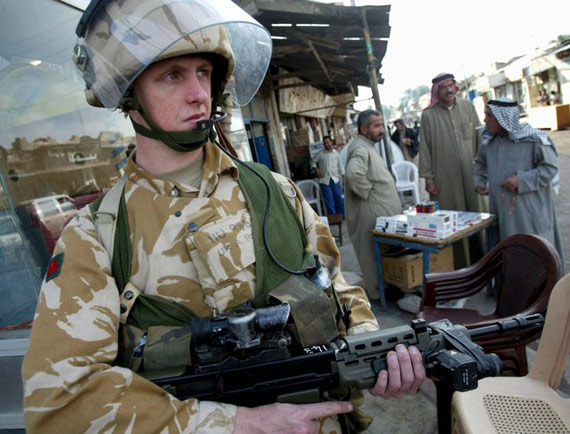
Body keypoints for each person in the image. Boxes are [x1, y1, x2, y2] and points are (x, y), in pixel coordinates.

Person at [21, 1, 425, 433]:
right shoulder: (98, 235)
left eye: (204, 73)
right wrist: (235, 423)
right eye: (172, 75)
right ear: (128, 92)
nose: (198, 93)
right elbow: (60, 401)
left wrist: (373, 353)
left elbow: (337, 288)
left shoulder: (275, 190)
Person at [474, 98, 563, 263]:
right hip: (501, 211)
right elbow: (480, 164)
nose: (485, 119)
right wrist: (479, 182)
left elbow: (550, 169)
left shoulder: (534, 140)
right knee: (507, 255)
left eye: (489, 115)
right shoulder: (488, 141)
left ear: (503, 118)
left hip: (529, 212)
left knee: (534, 255)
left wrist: (521, 180)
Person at [419, 72, 486, 268]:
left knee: (478, 216)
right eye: (443, 87)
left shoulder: (467, 106)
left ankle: (483, 261)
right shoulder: (428, 116)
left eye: (451, 86)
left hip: (472, 174)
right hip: (445, 178)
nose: (448, 90)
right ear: (436, 91)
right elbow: (425, 149)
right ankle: (460, 266)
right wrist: (429, 180)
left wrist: (484, 170)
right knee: (453, 220)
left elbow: (479, 138)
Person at [345, 109, 403, 300]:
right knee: (371, 255)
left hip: (377, 212)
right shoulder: (361, 148)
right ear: (364, 129)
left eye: (381, 125)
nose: (382, 130)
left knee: (381, 253)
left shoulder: (367, 146)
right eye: (377, 126)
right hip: (370, 212)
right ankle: (378, 292)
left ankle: (385, 288)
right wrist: (368, 192)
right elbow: (353, 174)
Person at [311, 135, 345, 215]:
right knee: (329, 202)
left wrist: (343, 177)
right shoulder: (320, 154)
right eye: (325, 143)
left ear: (331, 142)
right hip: (324, 181)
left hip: (335, 180)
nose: (327, 144)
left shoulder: (336, 154)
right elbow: (312, 162)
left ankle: (340, 216)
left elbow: (341, 167)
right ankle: (333, 218)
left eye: (328, 142)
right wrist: (316, 170)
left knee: (338, 199)